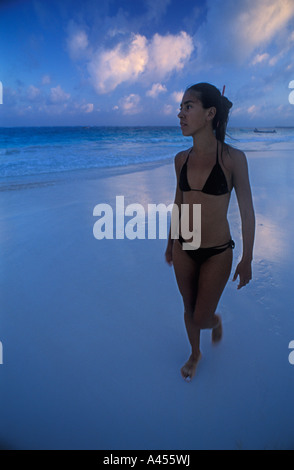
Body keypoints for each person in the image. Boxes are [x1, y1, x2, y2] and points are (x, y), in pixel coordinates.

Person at [165, 83, 255, 382]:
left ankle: (214, 322)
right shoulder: (181, 159)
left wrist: (247, 258)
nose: (180, 114)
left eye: (188, 106)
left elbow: (247, 211)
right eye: (180, 107)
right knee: (188, 309)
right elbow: (179, 203)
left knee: (202, 316)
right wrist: (170, 243)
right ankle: (195, 353)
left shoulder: (232, 159)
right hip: (183, 248)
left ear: (209, 114)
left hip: (217, 252)